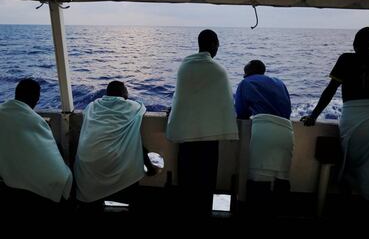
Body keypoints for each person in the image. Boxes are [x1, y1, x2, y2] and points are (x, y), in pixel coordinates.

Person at [301, 27, 369, 207]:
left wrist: (314, 116)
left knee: (346, 163)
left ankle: (346, 205)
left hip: (351, 116)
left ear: (354, 42)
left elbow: (331, 89)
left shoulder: (346, 59)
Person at [166, 29, 238, 216]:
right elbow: (226, 103)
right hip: (210, 136)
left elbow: (179, 98)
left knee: (186, 178)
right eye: (218, 45)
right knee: (206, 180)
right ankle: (203, 214)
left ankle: (185, 213)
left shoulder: (185, 66)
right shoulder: (218, 71)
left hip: (186, 135)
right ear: (214, 44)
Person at [74, 81, 156, 210]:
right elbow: (142, 107)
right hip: (115, 162)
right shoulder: (133, 107)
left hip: (88, 164)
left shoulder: (91, 106)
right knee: (133, 142)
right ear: (124, 94)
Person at [0, 78, 73, 208]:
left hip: (9, 182)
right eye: (37, 97)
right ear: (35, 97)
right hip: (45, 186)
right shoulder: (36, 121)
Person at [235, 60, 293, 212]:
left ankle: (257, 218)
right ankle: (280, 214)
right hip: (287, 131)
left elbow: (241, 113)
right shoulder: (279, 82)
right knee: (281, 178)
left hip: (264, 130)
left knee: (259, 181)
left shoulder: (246, 83)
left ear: (247, 73)